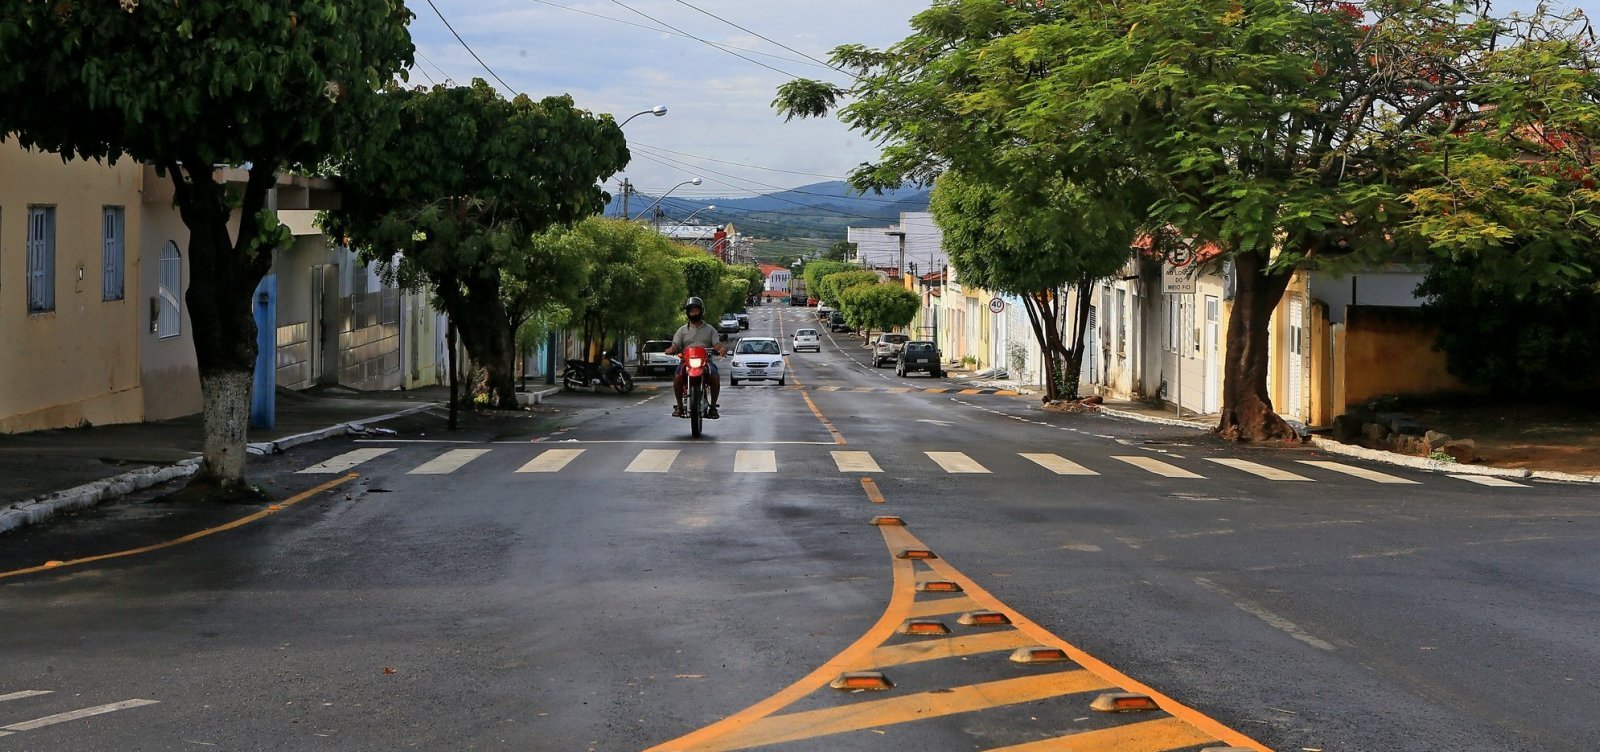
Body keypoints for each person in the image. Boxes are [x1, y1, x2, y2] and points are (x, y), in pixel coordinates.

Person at [664, 297, 726, 419]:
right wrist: (671, 349)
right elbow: (675, 344)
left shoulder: (710, 330)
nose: (694, 313)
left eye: (696, 310)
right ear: (688, 313)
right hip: (686, 362)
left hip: (705, 361)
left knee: (715, 376)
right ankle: (680, 406)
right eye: (691, 311)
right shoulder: (682, 330)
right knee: (677, 377)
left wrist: (721, 349)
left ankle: (713, 407)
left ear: (701, 311)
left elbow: (717, 344)